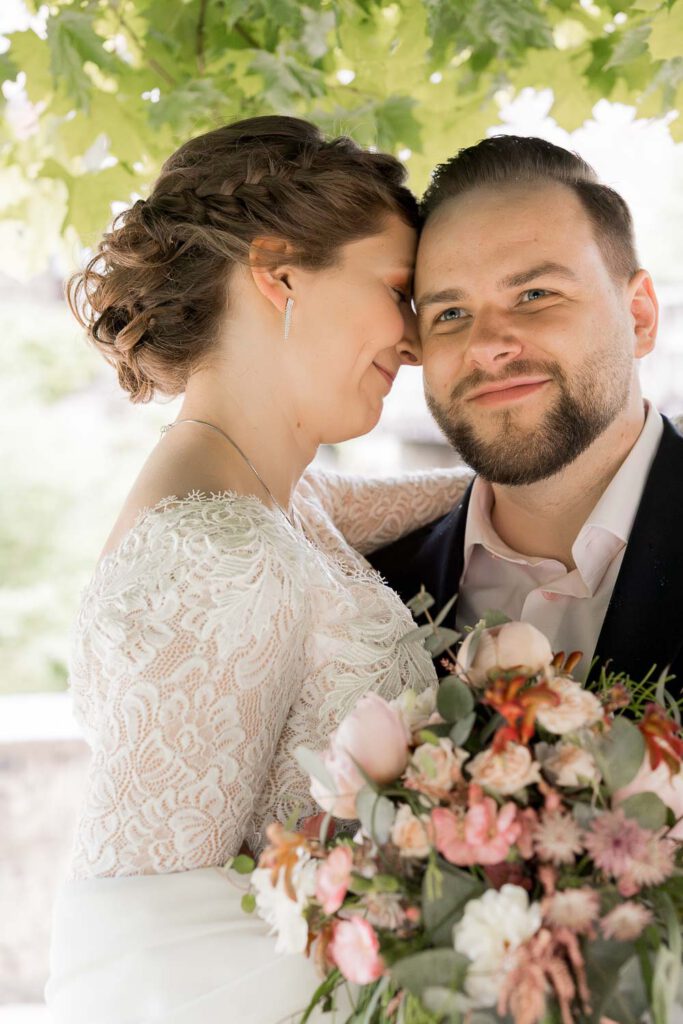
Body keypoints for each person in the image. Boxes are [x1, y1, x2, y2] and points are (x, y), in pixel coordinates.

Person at [44, 116, 470, 1024]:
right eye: (398, 292)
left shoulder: (282, 500)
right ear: (279, 274)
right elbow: (142, 954)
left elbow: (464, 496)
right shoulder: (218, 556)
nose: (414, 341)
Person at [371, 135, 683, 689]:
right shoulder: (372, 595)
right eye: (451, 311)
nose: (487, 345)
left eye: (535, 295)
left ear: (639, 317)